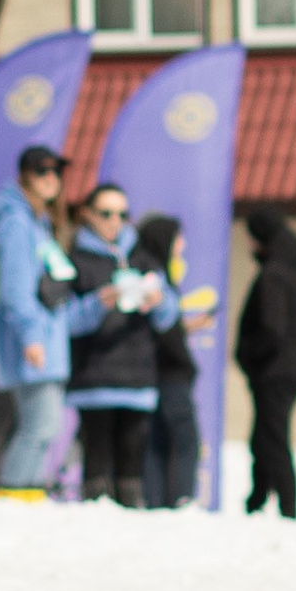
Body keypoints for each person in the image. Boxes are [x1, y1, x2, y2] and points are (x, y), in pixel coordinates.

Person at [66, 181, 167, 503]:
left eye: (123, 214)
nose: (115, 221)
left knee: (131, 460)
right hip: (93, 376)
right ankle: (92, 522)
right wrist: (99, 303)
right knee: (96, 457)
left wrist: (159, 301)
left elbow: (169, 317)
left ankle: (131, 528)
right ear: (87, 215)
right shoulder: (75, 259)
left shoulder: (143, 258)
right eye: (106, 213)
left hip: (137, 376)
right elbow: (65, 321)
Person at [0, 145, 78, 499]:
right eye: (42, 171)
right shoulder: (16, 222)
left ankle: (26, 493)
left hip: (47, 341)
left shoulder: (38, 223)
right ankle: (13, 493)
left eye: (56, 171)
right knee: (39, 426)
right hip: (35, 344)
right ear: (24, 175)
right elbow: (15, 289)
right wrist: (32, 337)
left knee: (43, 427)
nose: (51, 179)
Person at [236, 207, 296, 518]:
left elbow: (271, 329)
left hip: (273, 369)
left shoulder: (274, 274)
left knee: (273, 438)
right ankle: (259, 497)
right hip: (286, 366)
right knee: (265, 436)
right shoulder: (294, 270)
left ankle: (286, 506)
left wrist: (248, 354)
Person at [133, 213, 203, 509]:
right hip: (168, 371)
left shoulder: (152, 272)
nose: (182, 245)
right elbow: (162, 327)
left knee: (157, 440)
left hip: (159, 370)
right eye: (178, 238)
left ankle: (157, 500)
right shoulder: (152, 276)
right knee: (183, 438)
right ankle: (180, 498)